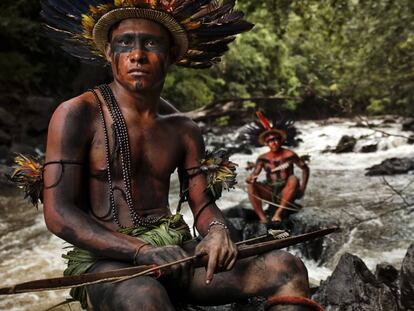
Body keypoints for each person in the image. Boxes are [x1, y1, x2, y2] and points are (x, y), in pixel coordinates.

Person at [40, 1, 321, 310]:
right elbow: (59, 214)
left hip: (175, 254)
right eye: (124, 43)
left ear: (171, 54)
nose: (137, 54)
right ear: (108, 52)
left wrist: (216, 233)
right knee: (146, 297)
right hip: (108, 263)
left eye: (151, 43)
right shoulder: (77, 114)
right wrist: (140, 250)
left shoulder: (183, 129)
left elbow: (201, 205)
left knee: (287, 268)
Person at [246, 112, 310, 226]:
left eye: (276, 139)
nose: (274, 142)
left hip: (287, 190)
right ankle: (263, 218)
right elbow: (255, 174)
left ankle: (278, 213)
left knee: (293, 179)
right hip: (270, 191)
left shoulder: (290, 155)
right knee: (250, 185)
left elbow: (305, 169)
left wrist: (303, 188)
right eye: (270, 140)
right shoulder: (262, 158)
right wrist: (251, 179)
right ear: (266, 143)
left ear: (281, 140)